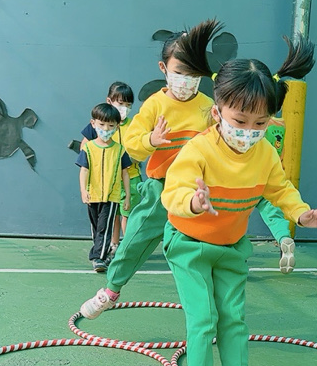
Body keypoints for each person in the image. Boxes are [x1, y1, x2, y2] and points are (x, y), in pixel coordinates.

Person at [160, 26, 317, 366]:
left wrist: (302, 213)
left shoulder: (264, 151)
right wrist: (194, 202)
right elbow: (172, 192)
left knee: (233, 319)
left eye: (260, 122)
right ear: (218, 111)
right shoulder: (199, 149)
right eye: (239, 120)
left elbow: (280, 188)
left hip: (231, 248)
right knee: (203, 319)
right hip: (189, 245)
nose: (249, 130)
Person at [78, 21, 218, 318]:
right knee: (135, 239)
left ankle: (205, 310)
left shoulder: (208, 106)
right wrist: (151, 140)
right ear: (163, 68)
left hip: (194, 192)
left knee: (193, 251)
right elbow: (131, 145)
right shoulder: (155, 105)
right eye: (180, 72)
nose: (186, 80)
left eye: (193, 73)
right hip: (160, 189)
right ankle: (111, 290)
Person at [80, 81, 139, 252]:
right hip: (105, 181)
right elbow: (84, 148)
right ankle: (113, 244)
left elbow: (141, 148)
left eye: (128, 105)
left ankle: (127, 247)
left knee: (127, 213)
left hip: (130, 176)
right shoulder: (99, 123)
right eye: (120, 103)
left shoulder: (134, 125)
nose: (124, 108)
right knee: (112, 215)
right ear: (109, 101)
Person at [76, 103, 131, 271]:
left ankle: (98, 258)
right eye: (102, 124)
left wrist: (127, 196)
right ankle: (103, 253)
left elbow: (125, 174)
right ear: (93, 123)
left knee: (104, 227)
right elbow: (84, 170)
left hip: (111, 197)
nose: (106, 129)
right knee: (96, 227)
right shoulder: (88, 148)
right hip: (93, 195)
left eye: (111, 126)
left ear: (117, 126)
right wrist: (83, 190)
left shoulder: (120, 150)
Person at [254, 115, 297, 273]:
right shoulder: (280, 125)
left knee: (238, 217)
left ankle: (237, 259)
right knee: (274, 216)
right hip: (271, 179)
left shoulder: (258, 125)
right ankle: (284, 238)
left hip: (252, 179)